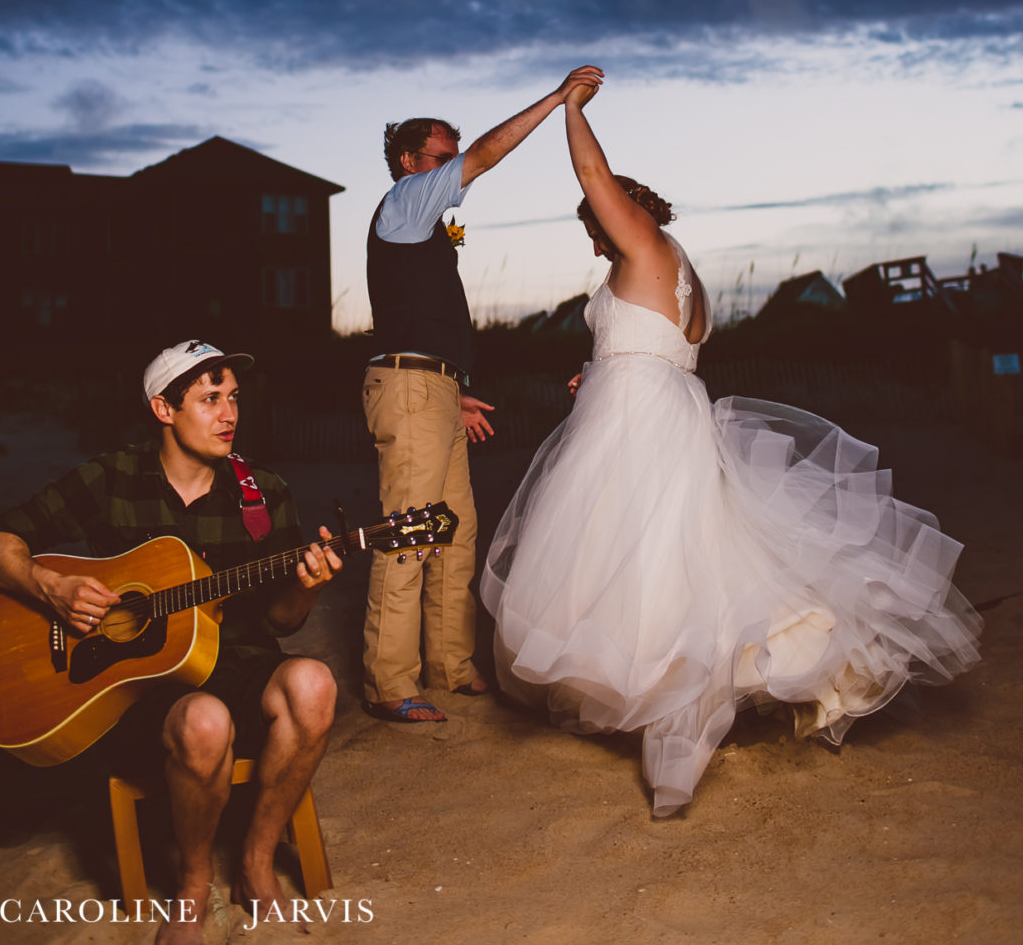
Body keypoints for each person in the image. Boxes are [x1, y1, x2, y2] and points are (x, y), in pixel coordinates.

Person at [482, 84, 983, 816]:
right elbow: (658, 352)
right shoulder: (684, 269)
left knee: (647, 568)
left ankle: (675, 741)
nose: (597, 242)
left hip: (637, 426)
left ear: (624, 212)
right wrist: (602, 368)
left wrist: (571, 107)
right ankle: (679, 742)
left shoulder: (642, 239)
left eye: (598, 228)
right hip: (661, 405)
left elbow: (593, 178)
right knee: (682, 560)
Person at [0, 339, 342, 945]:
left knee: (314, 682)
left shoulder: (263, 493)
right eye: (209, 399)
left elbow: (281, 622)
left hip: (238, 668)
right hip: (140, 697)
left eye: (234, 399)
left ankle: (255, 864)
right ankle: (193, 888)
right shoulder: (112, 477)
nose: (230, 415)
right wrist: (51, 586)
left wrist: (308, 587)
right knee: (203, 722)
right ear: (163, 409)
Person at [362, 65, 604, 724]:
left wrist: (455, 391)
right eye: (440, 157)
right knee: (409, 532)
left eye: (449, 157)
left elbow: (430, 313)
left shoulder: (429, 225)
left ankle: (449, 660)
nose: (451, 167)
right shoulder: (407, 200)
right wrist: (557, 100)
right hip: (408, 386)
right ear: (409, 161)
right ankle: (389, 680)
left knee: (456, 529)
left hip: (434, 388)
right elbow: (488, 154)